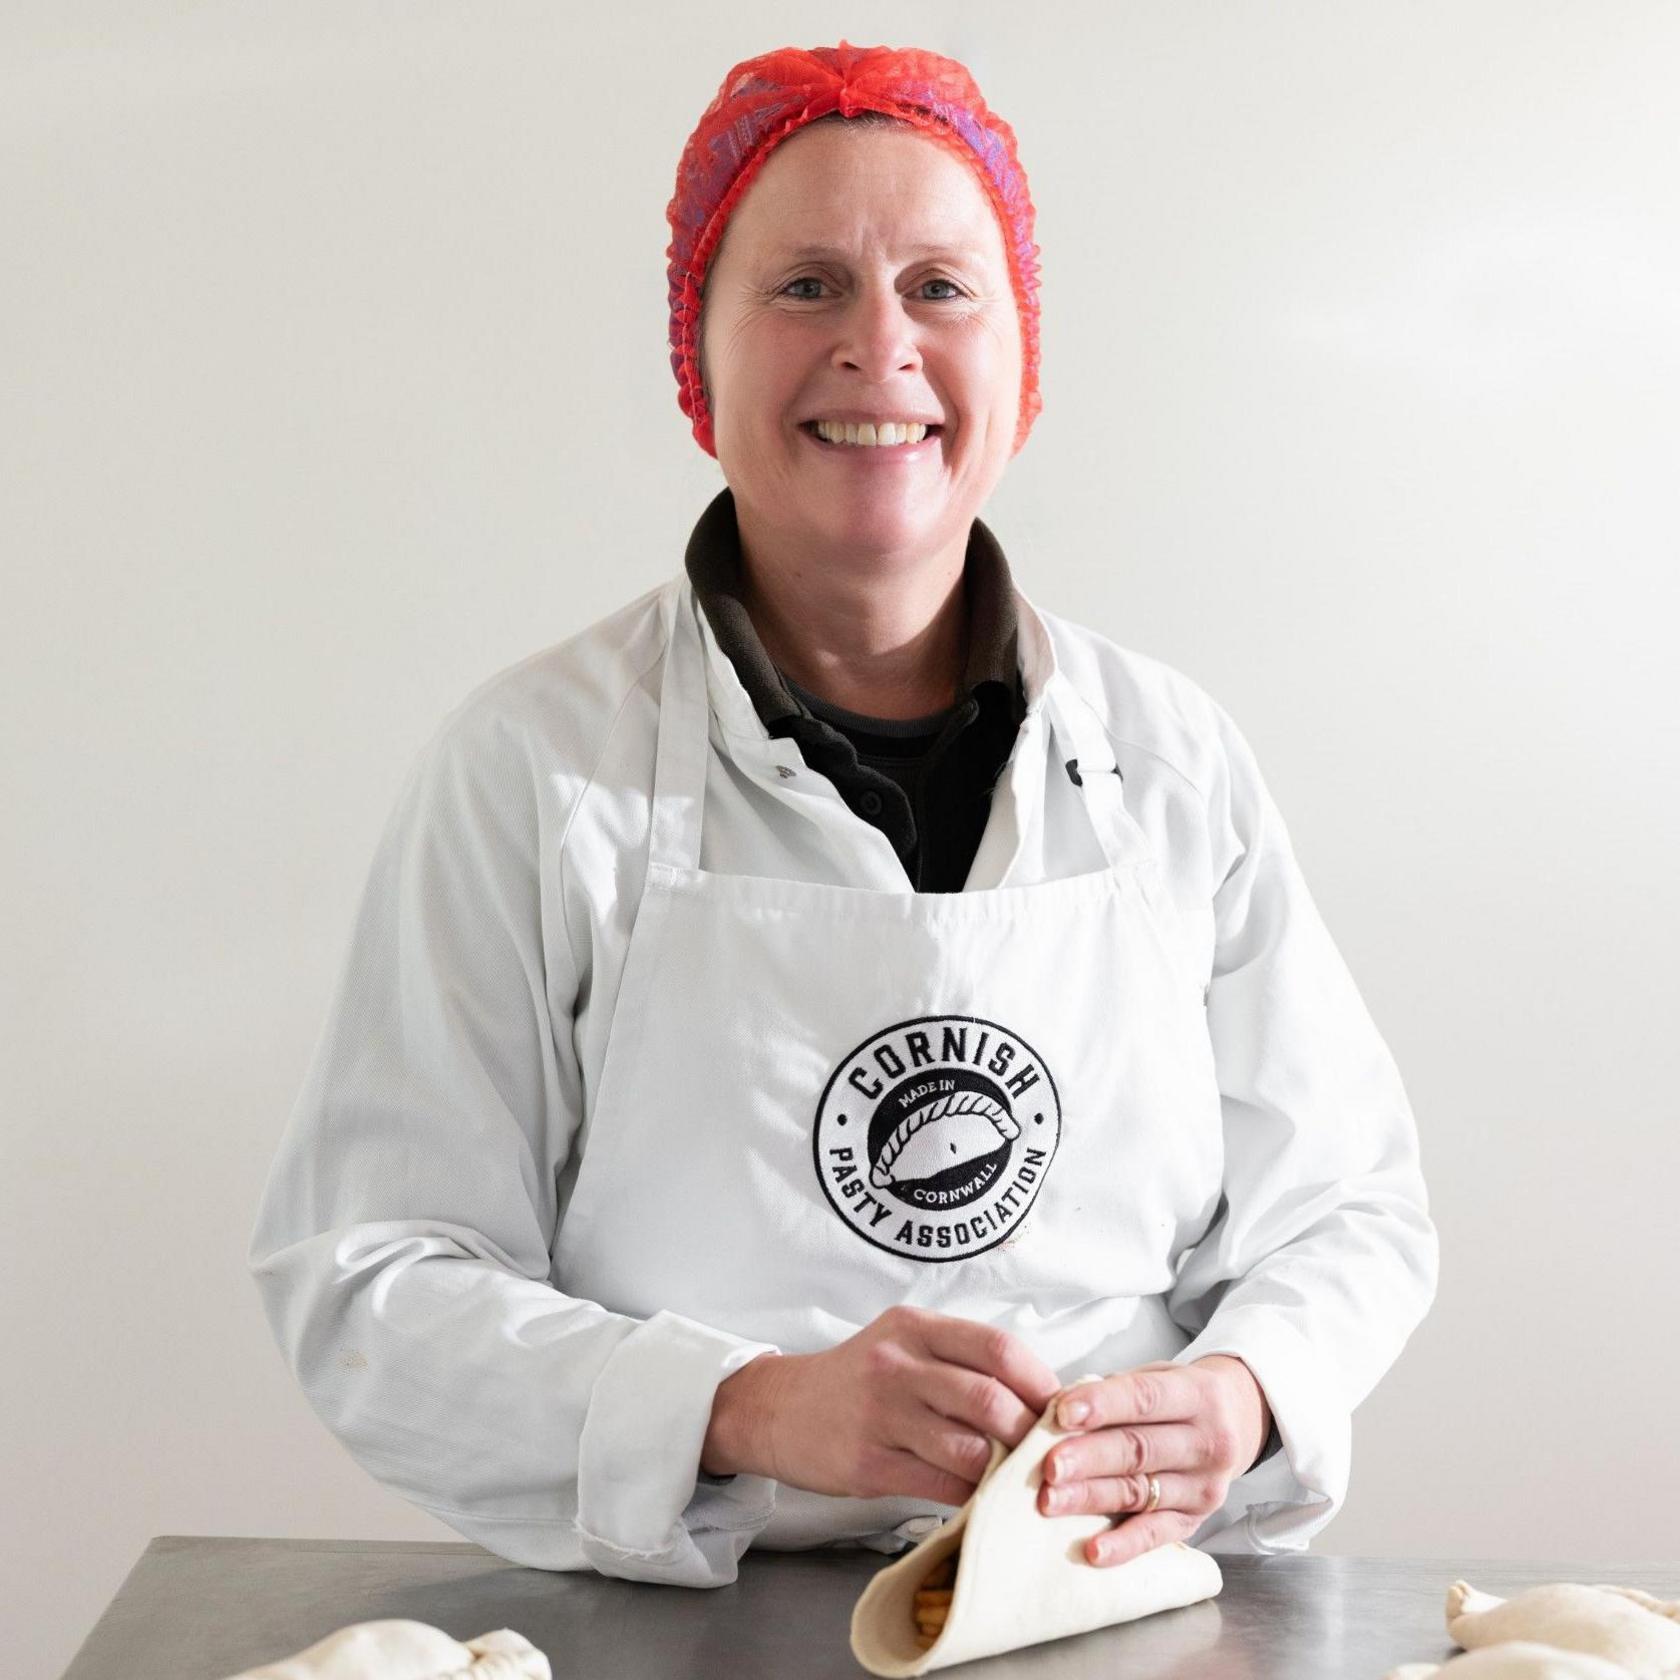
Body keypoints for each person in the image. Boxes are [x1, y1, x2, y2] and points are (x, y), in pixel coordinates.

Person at [248, 41, 1439, 1591]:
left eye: (941, 287)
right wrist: (747, 1409)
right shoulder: (533, 771)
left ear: (1021, 362)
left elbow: (1346, 1206)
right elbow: (370, 1278)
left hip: (1108, 1601)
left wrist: (1239, 1394)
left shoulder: (1175, 760)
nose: (879, 346)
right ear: (701, 359)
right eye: (806, 285)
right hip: (696, 1619)